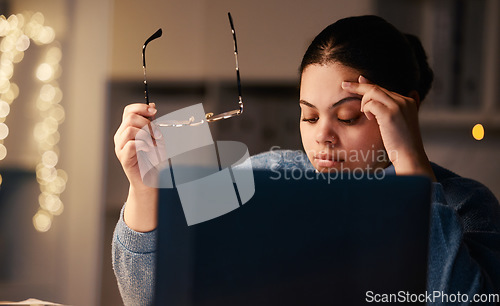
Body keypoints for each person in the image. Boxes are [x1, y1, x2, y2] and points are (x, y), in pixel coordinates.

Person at [112, 15, 500, 305]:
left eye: (348, 117)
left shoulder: (465, 205)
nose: (322, 135)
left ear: (406, 112)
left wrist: (412, 170)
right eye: (309, 116)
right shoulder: (265, 178)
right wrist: (144, 187)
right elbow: (145, 297)